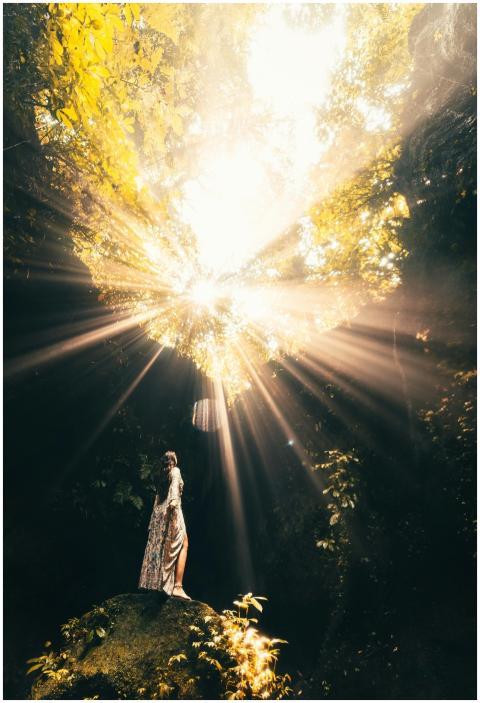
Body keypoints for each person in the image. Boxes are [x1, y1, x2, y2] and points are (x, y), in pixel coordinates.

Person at [138, 450, 191, 599]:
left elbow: (157, 499)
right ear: (173, 461)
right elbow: (174, 488)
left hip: (158, 514)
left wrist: (153, 522)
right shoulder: (175, 471)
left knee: (161, 546)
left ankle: (154, 584)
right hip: (171, 511)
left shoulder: (161, 476)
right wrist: (173, 503)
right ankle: (178, 587)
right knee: (183, 544)